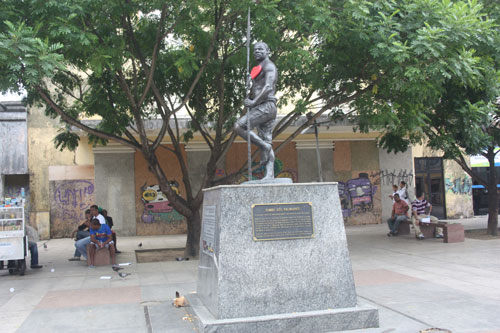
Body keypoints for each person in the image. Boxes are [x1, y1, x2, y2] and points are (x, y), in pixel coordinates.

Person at [234, 42, 278, 180]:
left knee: (239, 126)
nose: (257, 51)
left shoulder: (269, 66)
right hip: (261, 106)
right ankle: (269, 174)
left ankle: (264, 146)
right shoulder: (258, 68)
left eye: (260, 49)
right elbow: (257, 87)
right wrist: (249, 84)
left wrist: (254, 102)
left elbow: (268, 87)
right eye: (255, 49)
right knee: (266, 138)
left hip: (266, 106)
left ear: (267, 51)